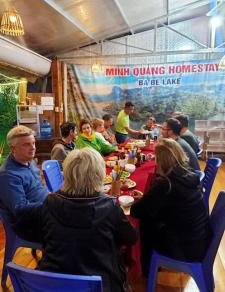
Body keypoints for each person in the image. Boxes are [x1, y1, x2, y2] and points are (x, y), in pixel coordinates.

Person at [15, 147, 137, 292]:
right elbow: (131, 238)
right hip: (99, 284)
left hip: (51, 283)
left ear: (67, 173)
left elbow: (44, 238)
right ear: (99, 175)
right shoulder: (110, 206)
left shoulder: (49, 202)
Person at [130, 138, 212, 277]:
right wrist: (148, 198)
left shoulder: (165, 184)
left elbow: (136, 211)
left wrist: (146, 200)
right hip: (200, 238)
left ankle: (147, 270)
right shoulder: (189, 173)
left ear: (162, 161)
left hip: (185, 248)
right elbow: (170, 203)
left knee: (146, 222)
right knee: (151, 215)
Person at [0, 125, 48, 223]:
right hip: (29, 224)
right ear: (13, 149)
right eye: (26, 145)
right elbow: (20, 210)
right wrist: (50, 206)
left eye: (33, 143)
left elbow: (38, 188)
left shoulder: (30, 161)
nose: (33, 148)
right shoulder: (8, 175)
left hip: (43, 211)